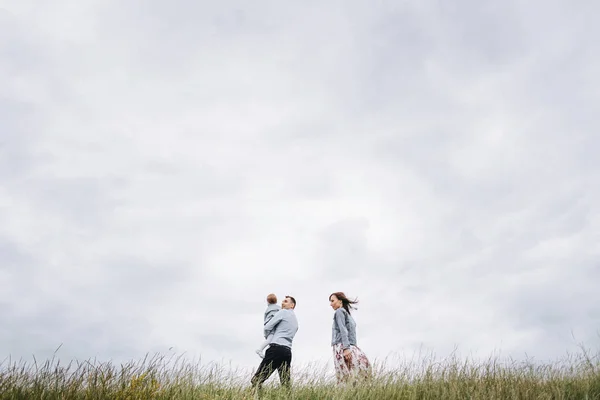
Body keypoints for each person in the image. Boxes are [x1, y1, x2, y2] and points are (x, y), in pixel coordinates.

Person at [251, 295, 298, 391]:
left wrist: (268, 336)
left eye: (285, 301)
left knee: (257, 379)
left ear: (292, 305)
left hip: (276, 348)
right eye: (282, 301)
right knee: (285, 384)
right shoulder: (295, 320)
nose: (282, 303)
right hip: (287, 351)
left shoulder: (283, 312)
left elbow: (267, 327)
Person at [329, 292, 371, 384]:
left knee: (344, 377)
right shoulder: (347, 315)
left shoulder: (339, 312)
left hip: (343, 346)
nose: (330, 304)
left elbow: (343, 330)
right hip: (348, 346)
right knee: (353, 374)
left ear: (340, 301)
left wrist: (346, 348)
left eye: (332, 301)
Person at [256, 293, 281, 358]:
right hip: (274, 328)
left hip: (269, 327)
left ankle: (261, 350)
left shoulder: (268, 309)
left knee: (270, 340)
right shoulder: (278, 308)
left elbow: (266, 319)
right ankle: (260, 349)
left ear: (268, 301)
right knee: (270, 340)